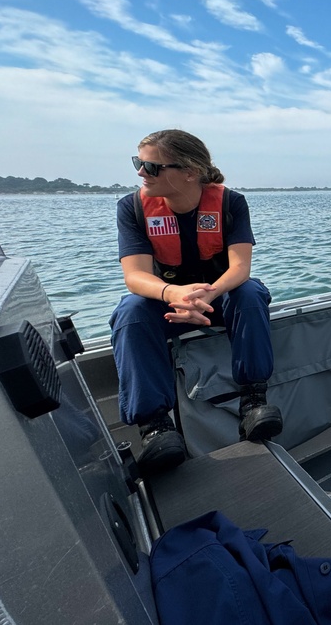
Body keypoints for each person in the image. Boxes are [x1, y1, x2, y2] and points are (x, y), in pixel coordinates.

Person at [110, 130, 282, 473]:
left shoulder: (231, 203)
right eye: (138, 163)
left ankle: (253, 402)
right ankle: (156, 428)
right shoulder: (132, 209)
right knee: (130, 311)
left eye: (150, 166)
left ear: (190, 172)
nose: (141, 173)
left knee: (249, 293)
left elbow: (240, 268)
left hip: (219, 296)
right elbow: (136, 276)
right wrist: (173, 293)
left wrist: (209, 293)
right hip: (169, 302)